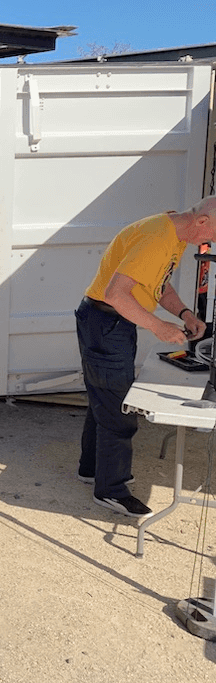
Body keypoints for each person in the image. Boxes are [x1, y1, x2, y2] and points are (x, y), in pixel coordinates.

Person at [76, 196, 216, 518]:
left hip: (109, 321)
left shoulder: (173, 234)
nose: (208, 243)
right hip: (108, 319)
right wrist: (159, 327)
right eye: (211, 237)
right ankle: (111, 490)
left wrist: (184, 314)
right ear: (202, 222)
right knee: (118, 405)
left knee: (103, 395)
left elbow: (159, 285)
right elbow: (115, 293)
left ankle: (92, 469)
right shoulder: (157, 237)